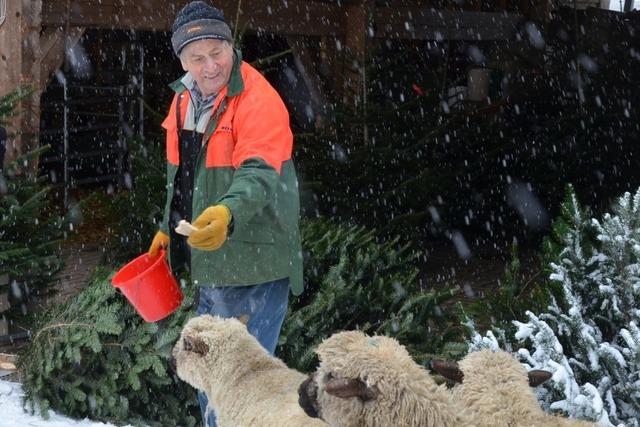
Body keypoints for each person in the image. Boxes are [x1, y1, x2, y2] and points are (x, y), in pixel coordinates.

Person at [146, 2, 303, 426]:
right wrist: (167, 231)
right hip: (210, 261)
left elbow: (258, 173)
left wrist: (227, 214)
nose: (209, 65)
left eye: (217, 52)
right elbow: (179, 179)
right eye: (197, 57)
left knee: (248, 387)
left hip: (256, 260)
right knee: (210, 380)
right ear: (182, 60)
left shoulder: (257, 98)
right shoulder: (182, 101)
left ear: (231, 46)